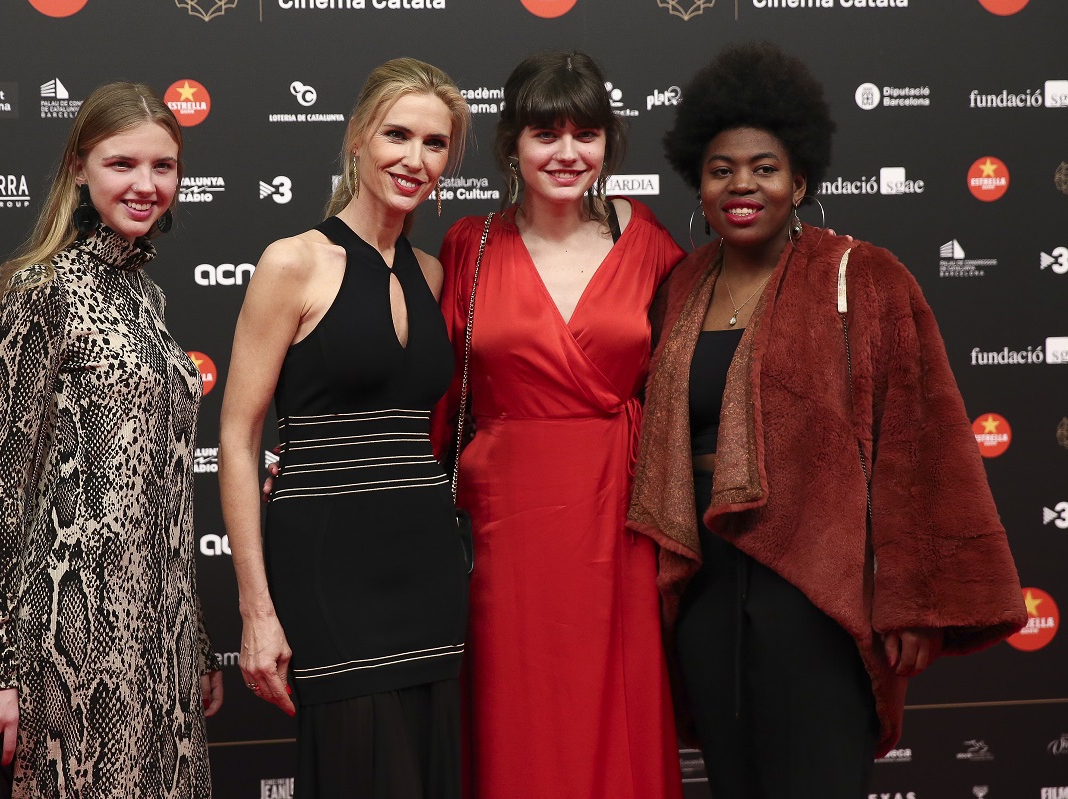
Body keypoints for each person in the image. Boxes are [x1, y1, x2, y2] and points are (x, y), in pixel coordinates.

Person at [627, 42, 1027, 798]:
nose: (742, 184)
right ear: (699, 185)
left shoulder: (865, 277)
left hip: (818, 592)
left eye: (764, 168)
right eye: (721, 170)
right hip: (709, 588)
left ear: (800, 180)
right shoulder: (680, 285)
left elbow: (919, 446)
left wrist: (913, 600)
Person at [431, 52, 684, 799]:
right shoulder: (469, 246)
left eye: (587, 134)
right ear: (512, 144)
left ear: (609, 145)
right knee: (518, 708)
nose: (567, 153)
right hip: (504, 518)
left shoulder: (652, 245)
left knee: (615, 702)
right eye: (546, 133)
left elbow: (680, 394)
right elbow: (435, 398)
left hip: (618, 511)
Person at [218, 58, 472, 798]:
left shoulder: (430, 274)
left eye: (434, 144)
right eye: (397, 134)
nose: (413, 159)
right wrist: (257, 610)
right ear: (357, 137)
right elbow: (237, 438)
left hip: (427, 566)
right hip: (330, 570)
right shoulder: (293, 263)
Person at [0, 81, 223, 798]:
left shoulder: (148, 295)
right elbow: (2, 490)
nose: (146, 185)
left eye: (163, 166)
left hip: (160, 637)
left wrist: (193, 637)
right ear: (80, 167)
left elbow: (170, 488)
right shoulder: (41, 288)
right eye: (122, 164)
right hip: (71, 641)